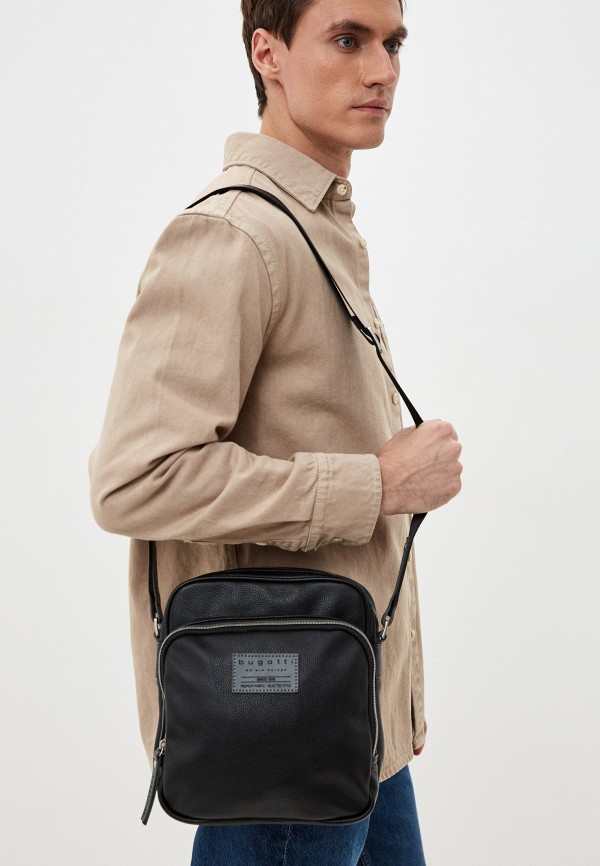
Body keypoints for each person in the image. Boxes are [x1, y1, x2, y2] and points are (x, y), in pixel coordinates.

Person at [89, 0, 463, 863]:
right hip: (277, 732)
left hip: (352, 718)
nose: (382, 70)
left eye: (393, 43)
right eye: (348, 39)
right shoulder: (233, 235)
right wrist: (378, 484)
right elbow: (134, 480)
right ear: (268, 53)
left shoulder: (315, 230)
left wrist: (397, 693)